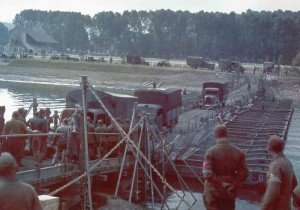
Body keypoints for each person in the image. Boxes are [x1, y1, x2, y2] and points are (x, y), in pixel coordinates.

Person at [202, 124, 249, 210]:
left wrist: (221, 183)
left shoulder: (210, 152)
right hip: (229, 191)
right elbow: (244, 173)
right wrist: (234, 184)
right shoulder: (239, 152)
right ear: (227, 135)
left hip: (213, 192)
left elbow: (207, 174)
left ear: (215, 136)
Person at [261, 135, 297, 210]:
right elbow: (295, 185)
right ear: (282, 148)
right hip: (286, 206)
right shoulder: (287, 163)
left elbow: (273, 191)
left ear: (269, 148)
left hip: (276, 207)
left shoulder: (275, 165)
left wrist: (263, 208)